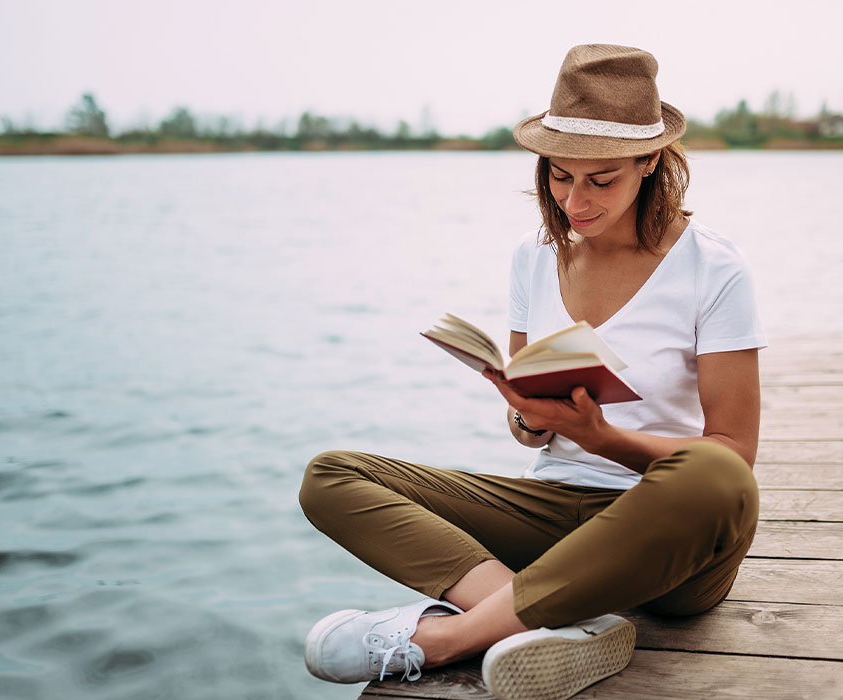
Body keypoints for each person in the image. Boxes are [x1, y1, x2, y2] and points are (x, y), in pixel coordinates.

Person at [299, 44, 765, 700]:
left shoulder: (713, 269)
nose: (575, 199)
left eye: (600, 179)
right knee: (331, 476)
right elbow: (528, 433)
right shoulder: (534, 256)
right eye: (558, 175)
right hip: (551, 512)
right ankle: (551, 618)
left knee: (716, 476)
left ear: (650, 161)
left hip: (667, 528)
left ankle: (451, 637)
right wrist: (527, 416)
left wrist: (606, 440)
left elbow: (734, 452)